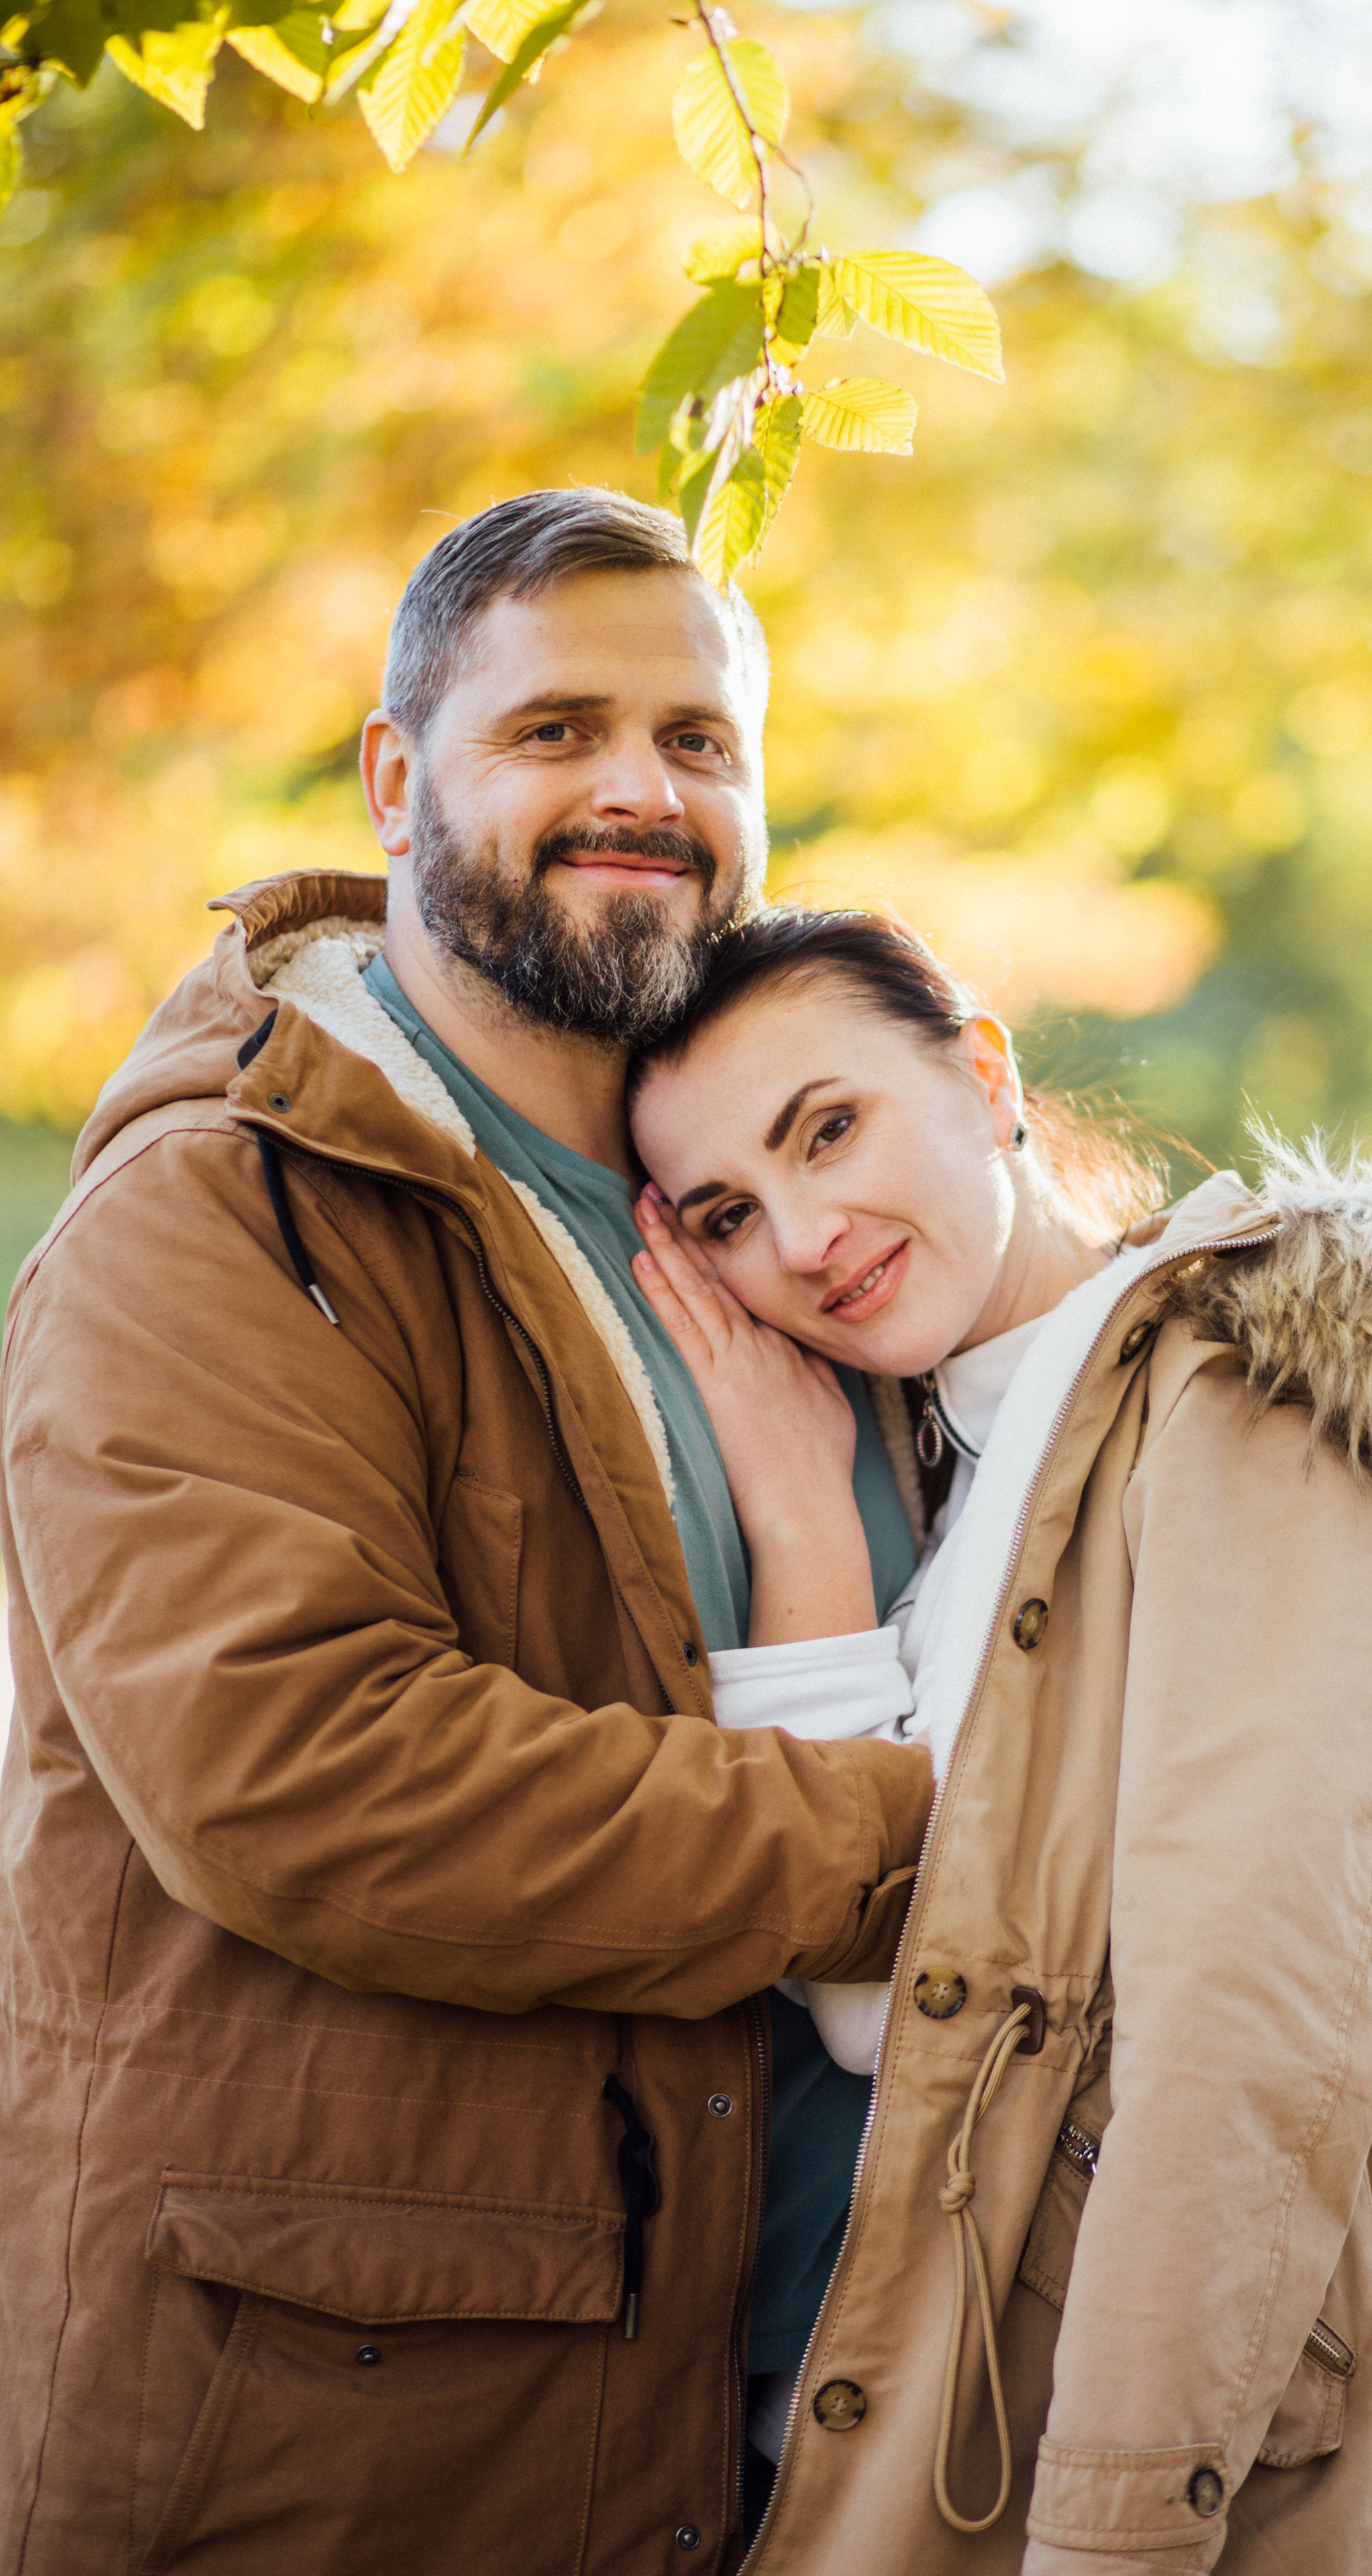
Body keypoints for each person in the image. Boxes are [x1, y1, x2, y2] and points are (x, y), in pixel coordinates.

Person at [0, 492, 937, 2575]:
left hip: (801, 2418)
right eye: (557, 730)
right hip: (357, 2430)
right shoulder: (223, 1215)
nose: (643, 790)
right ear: (395, 778)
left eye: (699, 740)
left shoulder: (777, 1212)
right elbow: (305, 1778)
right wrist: (925, 1846)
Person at [621, 904, 1372, 2575]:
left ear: (984, 1076)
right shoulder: (961, 1460)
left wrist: (1114, 2529)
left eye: (826, 1129)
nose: (805, 1236)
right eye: (726, 1214)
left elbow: (1243, 2045)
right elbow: (883, 2005)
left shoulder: (1243, 1406)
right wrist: (805, 1534)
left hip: (1250, 2447)